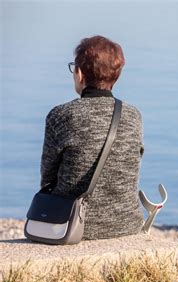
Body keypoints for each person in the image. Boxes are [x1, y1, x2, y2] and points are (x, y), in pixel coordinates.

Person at [40, 35, 144, 240]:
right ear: (116, 76)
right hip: (126, 223)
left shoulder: (61, 115)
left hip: (70, 225)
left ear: (79, 73)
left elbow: (47, 178)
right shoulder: (134, 116)